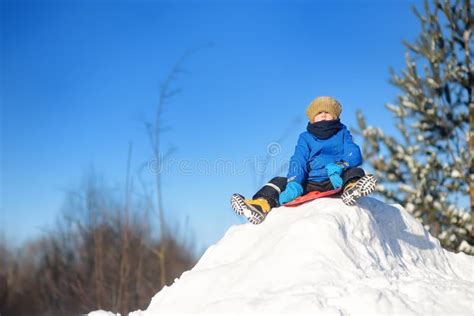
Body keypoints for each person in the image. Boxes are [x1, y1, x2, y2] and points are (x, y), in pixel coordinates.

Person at [231, 96, 376, 224]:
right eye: (319, 113)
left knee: (356, 171)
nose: (323, 115)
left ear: (335, 117)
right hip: (309, 182)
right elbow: (298, 160)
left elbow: (354, 153)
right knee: (278, 181)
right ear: (312, 118)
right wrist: (294, 183)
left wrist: (341, 165)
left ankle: (351, 189)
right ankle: (260, 205)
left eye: (327, 112)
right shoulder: (305, 137)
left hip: (336, 179)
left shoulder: (342, 133)